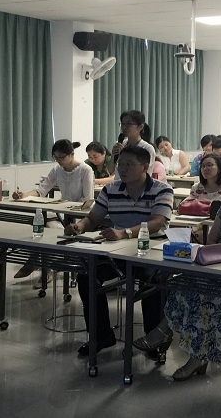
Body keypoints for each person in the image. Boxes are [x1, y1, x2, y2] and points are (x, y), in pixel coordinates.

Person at [134, 167, 221, 379]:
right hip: (220, 272)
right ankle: (168, 334)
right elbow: (210, 242)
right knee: (182, 284)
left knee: (205, 298)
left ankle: (191, 354)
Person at [65, 146, 174, 356]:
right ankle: (101, 336)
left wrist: (124, 233)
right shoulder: (111, 189)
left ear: (144, 166)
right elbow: (93, 218)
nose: (122, 169)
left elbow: (157, 223)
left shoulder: (162, 190)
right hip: (117, 250)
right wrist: (80, 226)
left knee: (153, 282)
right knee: (87, 276)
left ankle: (153, 341)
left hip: (151, 249)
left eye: (129, 164)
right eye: (120, 164)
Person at [13, 139, 95, 281]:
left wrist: (68, 207)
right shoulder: (57, 169)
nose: (58, 160)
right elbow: (41, 190)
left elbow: (87, 200)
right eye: (55, 157)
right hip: (63, 212)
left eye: (61, 157)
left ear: (72, 154)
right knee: (44, 225)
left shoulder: (85, 170)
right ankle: (46, 268)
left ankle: (37, 264)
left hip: (80, 215)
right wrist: (23, 195)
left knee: (51, 229)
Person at [178, 153, 221, 242]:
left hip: (220, 227)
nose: (205, 169)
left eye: (209, 165)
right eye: (203, 166)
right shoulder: (197, 188)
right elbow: (184, 205)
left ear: (220, 168)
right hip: (197, 225)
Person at [108, 110, 156, 177]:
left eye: (129, 124)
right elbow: (110, 170)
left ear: (140, 127)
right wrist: (113, 156)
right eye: (123, 124)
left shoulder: (147, 148)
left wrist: (125, 155)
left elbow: (146, 174)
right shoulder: (120, 144)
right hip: (119, 183)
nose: (124, 127)